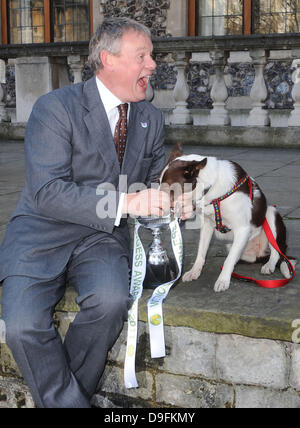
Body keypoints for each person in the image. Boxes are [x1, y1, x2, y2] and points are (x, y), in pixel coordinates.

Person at [0, 17, 193, 408]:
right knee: (21, 326)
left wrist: (177, 196)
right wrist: (127, 203)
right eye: (143, 56)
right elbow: (49, 192)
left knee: (109, 302)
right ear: (108, 59)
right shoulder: (54, 109)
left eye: (151, 56)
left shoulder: (149, 117)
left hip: (101, 238)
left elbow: (160, 176)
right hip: (41, 233)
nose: (153, 65)